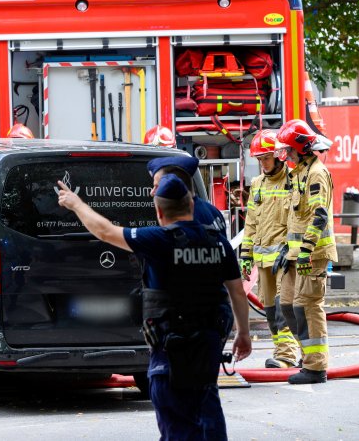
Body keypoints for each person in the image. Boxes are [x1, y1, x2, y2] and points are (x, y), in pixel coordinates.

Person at [58, 173, 251, 440]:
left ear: (159, 212)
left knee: (177, 429)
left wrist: (76, 203)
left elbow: (105, 231)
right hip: (206, 351)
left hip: (170, 354)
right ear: (192, 206)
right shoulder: (217, 242)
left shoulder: (159, 240)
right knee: (208, 415)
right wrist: (244, 333)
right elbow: (237, 292)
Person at [273, 120, 337, 384]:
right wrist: (287, 247)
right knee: (286, 304)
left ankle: (316, 367)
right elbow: (296, 217)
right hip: (295, 253)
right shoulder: (298, 172)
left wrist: (306, 250)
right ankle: (306, 357)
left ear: (300, 148)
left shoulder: (316, 173)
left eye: (288, 150)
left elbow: (319, 217)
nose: (285, 155)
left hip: (313, 254)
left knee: (307, 307)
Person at [241, 130, 300, 369]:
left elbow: (300, 219)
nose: (262, 163)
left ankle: (287, 355)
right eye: (259, 159)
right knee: (269, 308)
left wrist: (293, 250)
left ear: (279, 156)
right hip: (263, 259)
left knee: (283, 308)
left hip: (285, 258)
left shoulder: (294, 181)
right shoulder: (257, 184)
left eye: (266, 158)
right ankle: (281, 352)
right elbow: (251, 223)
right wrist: (245, 257)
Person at [148, 156, 227, 236]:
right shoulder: (212, 210)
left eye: (158, 186)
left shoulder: (185, 221)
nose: (152, 192)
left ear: (175, 183)